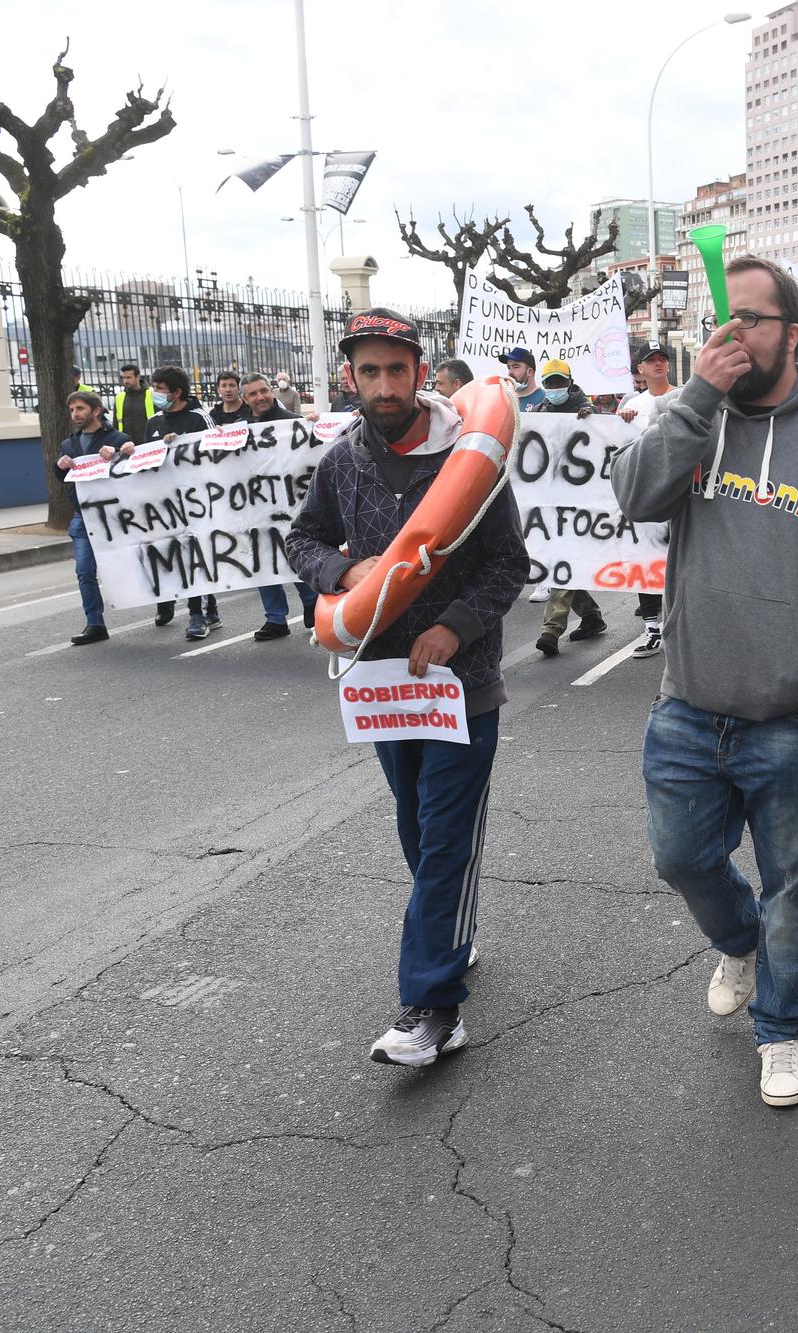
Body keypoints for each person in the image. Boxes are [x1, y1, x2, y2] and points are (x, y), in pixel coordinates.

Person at [611, 255, 798, 1108]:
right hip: (687, 704)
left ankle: (781, 1029)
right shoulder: (691, 413)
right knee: (680, 858)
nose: (732, 335)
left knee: (792, 885)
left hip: (793, 714)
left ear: (794, 332)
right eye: (722, 321)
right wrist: (694, 398)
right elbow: (633, 493)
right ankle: (736, 944)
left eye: (751, 320)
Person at [286, 306, 531, 1066]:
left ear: (421, 373)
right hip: (383, 685)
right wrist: (341, 571)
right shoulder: (342, 462)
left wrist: (454, 625)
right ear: (350, 376)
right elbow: (302, 539)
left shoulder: (468, 459)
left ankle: (433, 1008)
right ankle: (450, 936)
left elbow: (507, 564)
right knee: (417, 831)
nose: (385, 385)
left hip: (462, 684)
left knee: (447, 838)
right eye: (370, 371)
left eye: (398, 370)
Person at [530, 360, 608, 656]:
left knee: (562, 563)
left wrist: (593, 419)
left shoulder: (587, 412)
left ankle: (551, 630)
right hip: (551, 503)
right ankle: (591, 616)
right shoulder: (539, 413)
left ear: (570, 381)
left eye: (557, 383)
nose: (552, 389)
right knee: (562, 563)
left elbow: (604, 443)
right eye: (548, 383)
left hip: (581, 505)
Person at [143, 366, 220, 638]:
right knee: (176, 555)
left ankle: (197, 616)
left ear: (177, 392)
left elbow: (215, 455)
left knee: (194, 556)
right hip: (165, 505)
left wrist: (183, 445)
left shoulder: (199, 419)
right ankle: (201, 606)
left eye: (160, 388)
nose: (154, 393)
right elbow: (146, 464)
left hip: (197, 502)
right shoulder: (154, 422)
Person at [53, 391, 133, 645]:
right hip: (84, 515)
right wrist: (60, 466)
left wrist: (121, 452)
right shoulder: (69, 443)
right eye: (72, 410)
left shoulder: (115, 438)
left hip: (115, 514)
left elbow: (133, 468)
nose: (76, 414)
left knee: (137, 560)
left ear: (96, 411)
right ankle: (95, 623)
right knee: (84, 570)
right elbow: (65, 480)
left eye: (80, 408)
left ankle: (165, 602)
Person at [241, 372, 315, 638]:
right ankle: (275, 618)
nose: (260, 397)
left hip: (291, 506)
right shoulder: (240, 428)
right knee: (263, 561)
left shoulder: (293, 423)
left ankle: (310, 602)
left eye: (264, 391)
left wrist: (315, 425)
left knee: (294, 555)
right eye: (253, 394)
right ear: (245, 398)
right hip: (255, 507)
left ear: (271, 391)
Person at [620, 340, 676, 659]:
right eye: (650, 360)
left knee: (680, 561)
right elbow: (614, 447)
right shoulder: (632, 405)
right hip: (645, 494)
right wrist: (620, 421)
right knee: (646, 558)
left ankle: (681, 624)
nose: (658, 364)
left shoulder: (684, 397)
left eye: (662, 359)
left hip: (680, 493)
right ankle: (652, 626)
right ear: (640, 368)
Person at [110, 364, 152, 440]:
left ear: (138, 377)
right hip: (125, 444)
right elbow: (115, 424)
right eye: (123, 378)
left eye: (129, 377)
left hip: (148, 443)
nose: (126, 381)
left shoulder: (151, 395)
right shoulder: (119, 397)